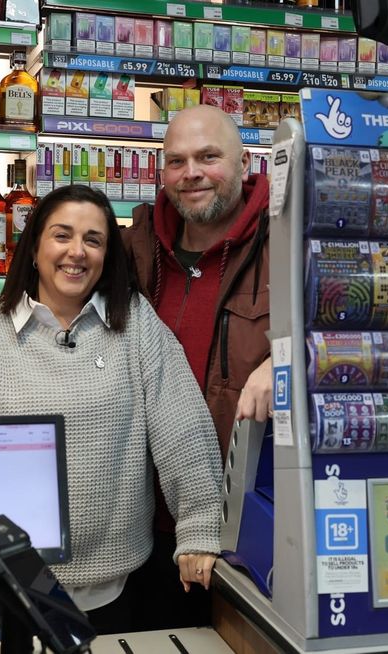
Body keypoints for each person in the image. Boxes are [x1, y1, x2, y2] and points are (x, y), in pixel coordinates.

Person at [0, 184, 223, 634]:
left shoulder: (136, 324)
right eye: (62, 235)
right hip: (1, 585)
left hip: (116, 591)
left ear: (106, 255)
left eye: (93, 240)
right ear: (36, 245)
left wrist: (198, 528)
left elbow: (182, 428)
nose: (76, 252)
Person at [122, 104, 272, 627]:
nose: (192, 174)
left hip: (249, 524)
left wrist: (292, 359)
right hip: (141, 524)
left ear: (246, 162)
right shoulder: (133, 249)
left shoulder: (291, 243)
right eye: (177, 161)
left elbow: (369, 328)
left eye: (209, 157)